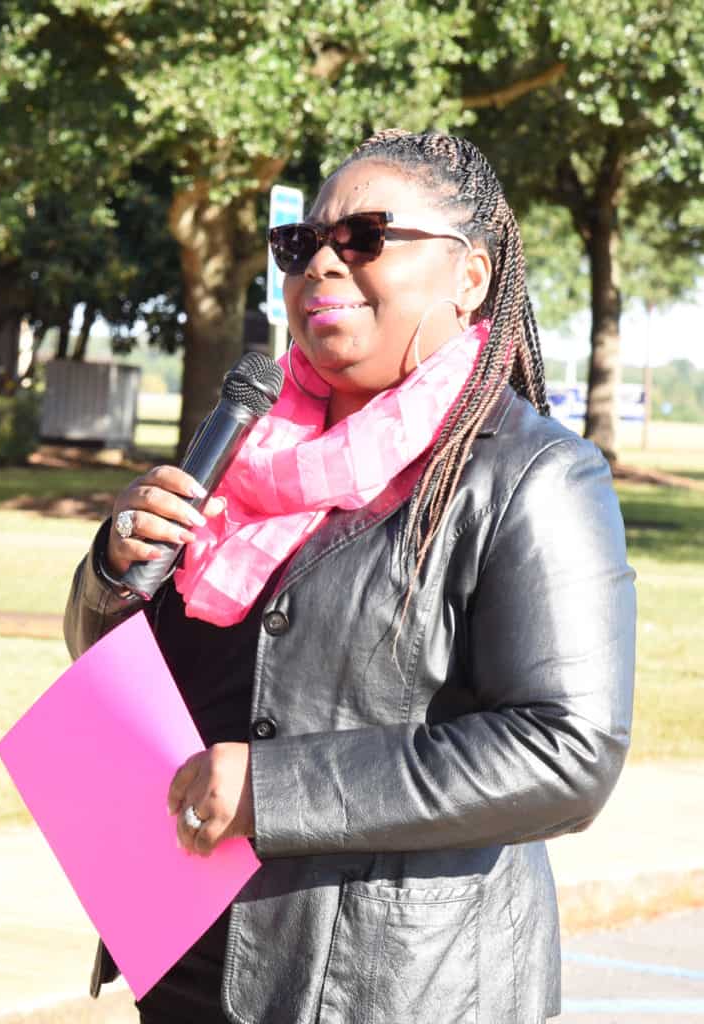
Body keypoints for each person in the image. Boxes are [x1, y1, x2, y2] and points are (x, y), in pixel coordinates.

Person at [64, 129, 635, 1024]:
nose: (322, 264)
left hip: (392, 985)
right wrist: (115, 568)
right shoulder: (242, 448)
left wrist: (272, 790)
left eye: (365, 237)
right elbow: (119, 668)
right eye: (302, 244)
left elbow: (564, 751)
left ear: (469, 277)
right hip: (186, 952)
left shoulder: (531, 476)